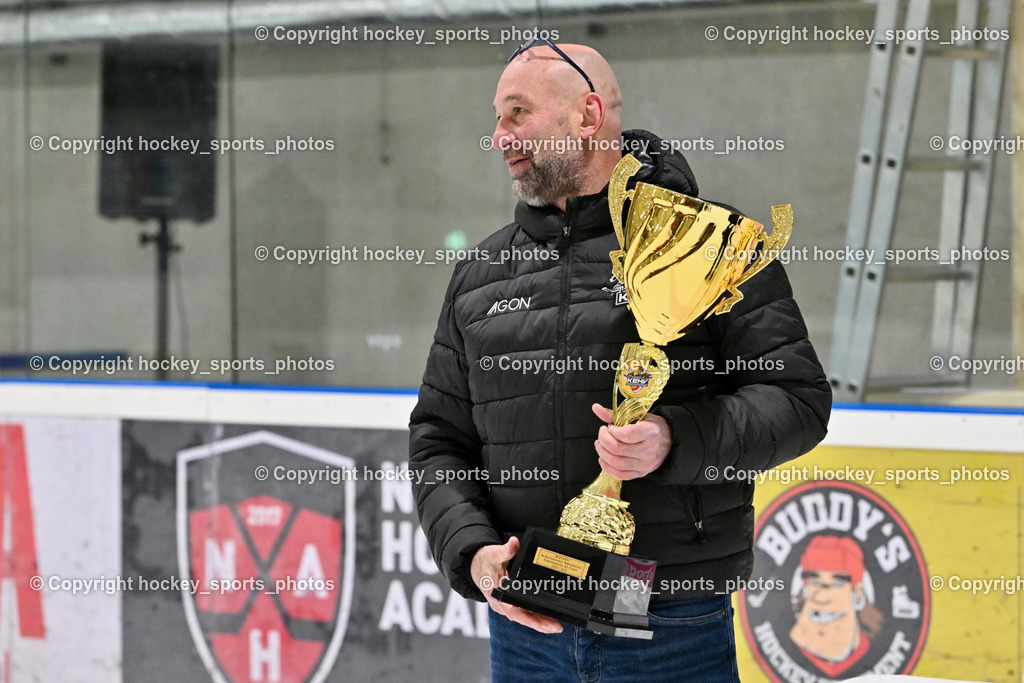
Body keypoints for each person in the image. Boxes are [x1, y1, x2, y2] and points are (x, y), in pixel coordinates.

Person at [409, 39, 832, 682]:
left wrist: (674, 438)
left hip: (670, 621)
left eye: (518, 113)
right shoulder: (480, 276)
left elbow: (797, 401)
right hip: (527, 623)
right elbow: (440, 438)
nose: (499, 136)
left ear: (585, 116)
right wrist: (471, 553)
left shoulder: (708, 247)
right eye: (496, 117)